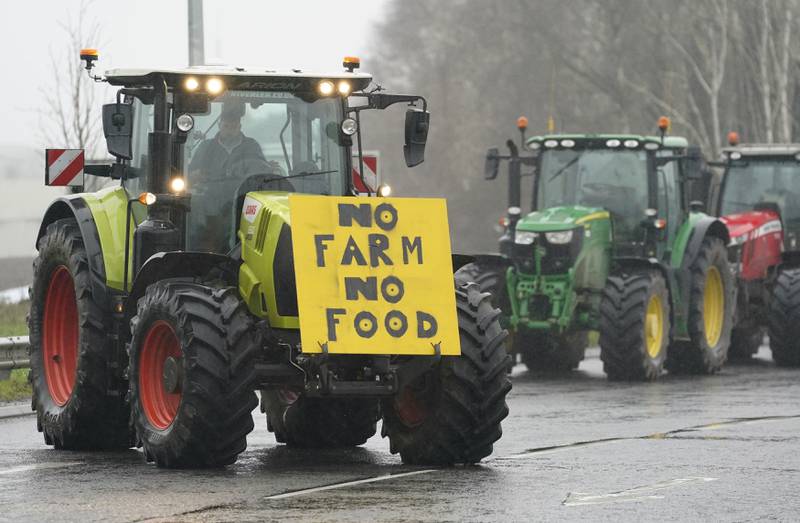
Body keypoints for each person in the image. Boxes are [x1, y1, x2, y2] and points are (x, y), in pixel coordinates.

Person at [188, 101, 267, 180]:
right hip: (211, 191)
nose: (229, 130)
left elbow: (261, 169)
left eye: (234, 127)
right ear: (219, 125)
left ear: (239, 127)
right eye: (226, 126)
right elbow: (189, 175)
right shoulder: (206, 147)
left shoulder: (251, 146)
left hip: (243, 190)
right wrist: (195, 174)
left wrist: (268, 167)